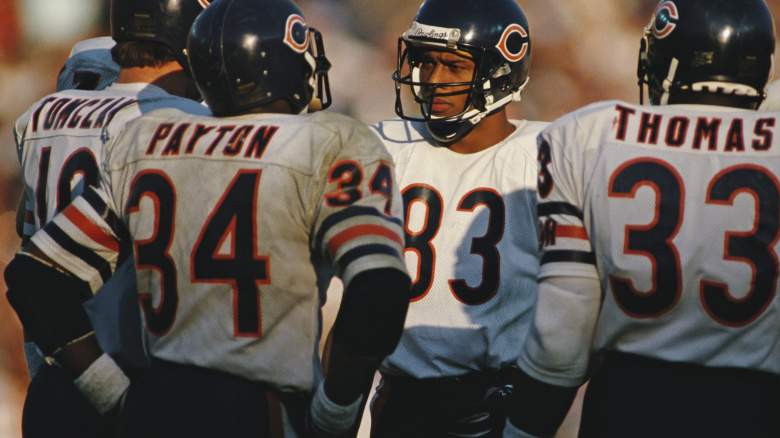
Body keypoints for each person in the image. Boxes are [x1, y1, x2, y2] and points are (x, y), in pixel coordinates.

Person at [5, 0, 411, 437]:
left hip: (149, 398)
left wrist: (113, 395)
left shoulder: (147, 138)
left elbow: (35, 277)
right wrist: (335, 416)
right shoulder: (327, 142)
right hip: (259, 407)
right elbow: (379, 288)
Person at [504, 1, 780, 437]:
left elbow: (562, 341)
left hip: (631, 402)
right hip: (756, 406)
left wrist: (523, 429)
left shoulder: (589, 136)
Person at [13, 1, 210, 436]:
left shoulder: (40, 116)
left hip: (57, 373)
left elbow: (29, 235)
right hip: (136, 377)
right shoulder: (187, 123)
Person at [365, 0, 545, 435]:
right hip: (400, 398)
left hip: (501, 397)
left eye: (453, 65)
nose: (434, 80)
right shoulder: (385, 145)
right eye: (426, 63)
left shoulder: (549, 154)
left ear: (502, 69)